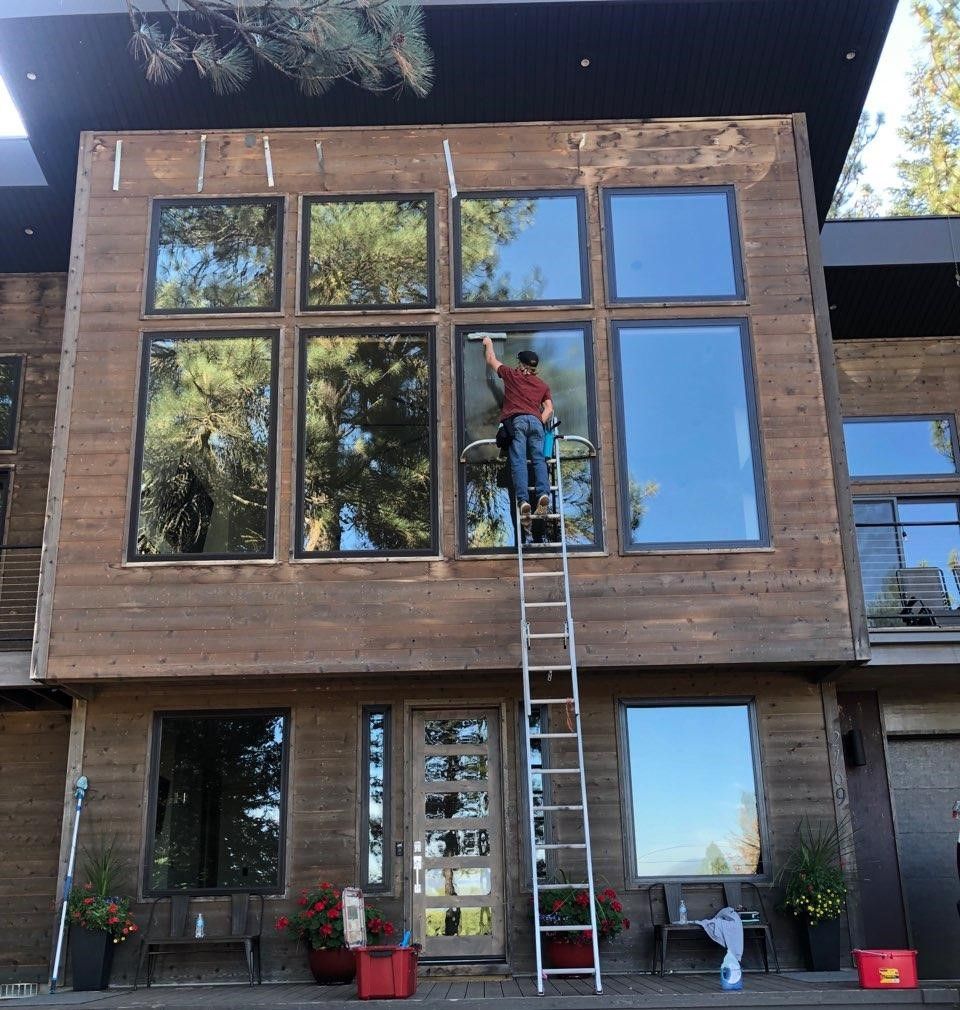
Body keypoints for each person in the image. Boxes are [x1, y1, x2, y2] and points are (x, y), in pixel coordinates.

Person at [481, 335, 554, 527]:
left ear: (520, 364)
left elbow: (491, 360)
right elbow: (549, 409)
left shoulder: (512, 375)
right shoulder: (542, 385)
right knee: (539, 459)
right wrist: (539, 420)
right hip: (536, 423)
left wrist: (488, 342)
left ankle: (523, 501)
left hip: (517, 422)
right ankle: (544, 493)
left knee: (519, 461)